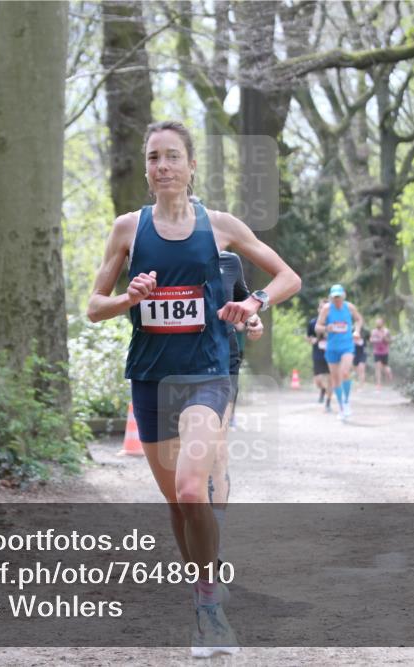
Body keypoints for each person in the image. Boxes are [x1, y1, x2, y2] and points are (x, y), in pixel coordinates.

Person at [87, 120, 301, 657]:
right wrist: (128, 300)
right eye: (154, 157)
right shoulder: (128, 230)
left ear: (190, 166)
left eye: (173, 157)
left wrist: (254, 305)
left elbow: (287, 277)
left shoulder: (220, 226)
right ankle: (206, 579)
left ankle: (209, 610)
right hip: (150, 378)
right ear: (146, 167)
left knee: (190, 489)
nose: (163, 167)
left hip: (206, 376)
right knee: (179, 509)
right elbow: (94, 308)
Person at [207, 250, 262, 574]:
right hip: (174, 369)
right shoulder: (160, 254)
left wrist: (253, 320)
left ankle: (214, 541)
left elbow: (244, 307)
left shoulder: (229, 262)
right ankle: (197, 532)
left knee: (215, 452)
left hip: (222, 365)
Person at [315, 284, 363, 421]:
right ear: (331, 297)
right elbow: (318, 327)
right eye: (335, 297)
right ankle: (341, 407)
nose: (337, 300)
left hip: (347, 345)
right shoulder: (326, 309)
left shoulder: (349, 307)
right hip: (332, 348)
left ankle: (347, 401)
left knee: (345, 373)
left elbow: (359, 319)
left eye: (339, 297)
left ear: (343, 296)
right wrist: (326, 328)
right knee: (335, 379)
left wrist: (357, 331)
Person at [306, 299, 333, 412]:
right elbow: (308, 337)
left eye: (325, 308)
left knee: (330, 379)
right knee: (318, 380)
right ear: (318, 309)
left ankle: (328, 402)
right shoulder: (313, 323)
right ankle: (323, 390)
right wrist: (311, 340)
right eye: (321, 307)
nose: (323, 310)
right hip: (317, 352)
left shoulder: (332, 322)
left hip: (331, 352)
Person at [372, 317, 393, 389]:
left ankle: (389, 375)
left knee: (385, 367)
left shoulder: (386, 331)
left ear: (382, 323)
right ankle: (378, 384)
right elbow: (371, 340)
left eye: (379, 322)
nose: (378, 324)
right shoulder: (374, 331)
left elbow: (390, 341)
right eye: (377, 322)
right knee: (378, 367)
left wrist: (384, 338)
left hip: (384, 352)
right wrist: (376, 340)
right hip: (376, 352)